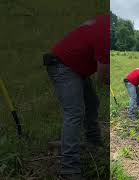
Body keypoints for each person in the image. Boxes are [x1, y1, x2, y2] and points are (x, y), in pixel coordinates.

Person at [43, 14, 109, 180]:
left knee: (92, 103)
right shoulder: (105, 35)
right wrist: (110, 82)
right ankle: (70, 169)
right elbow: (102, 76)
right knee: (74, 112)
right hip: (62, 66)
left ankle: (94, 144)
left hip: (77, 66)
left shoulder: (107, 21)